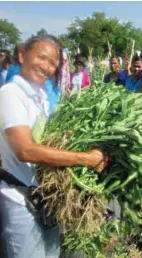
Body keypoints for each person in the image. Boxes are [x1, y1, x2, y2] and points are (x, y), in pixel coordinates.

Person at [0, 34, 109, 258]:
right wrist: (85, 158)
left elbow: (46, 136)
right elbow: (25, 150)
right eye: (41, 58)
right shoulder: (10, 94)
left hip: (45, 199)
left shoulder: (40, 95)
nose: (46, 67)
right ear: (22, 55)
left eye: (53, 63)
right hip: (21, 200)